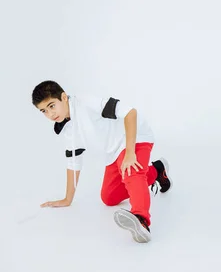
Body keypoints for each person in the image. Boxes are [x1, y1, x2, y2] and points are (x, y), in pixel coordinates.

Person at [32, 80, 172, 243]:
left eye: (51, 106)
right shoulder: (67, 130)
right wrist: (67, 199)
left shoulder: (86, 103)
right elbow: (73, 162)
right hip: (112, 152)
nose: (50, 114)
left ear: (63, 97)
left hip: (133, 138)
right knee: (109, 197)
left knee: (131, 172)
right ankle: (156, 170)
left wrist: (130, 152)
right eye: (44, 111)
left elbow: (130, 113)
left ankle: (141, 220)